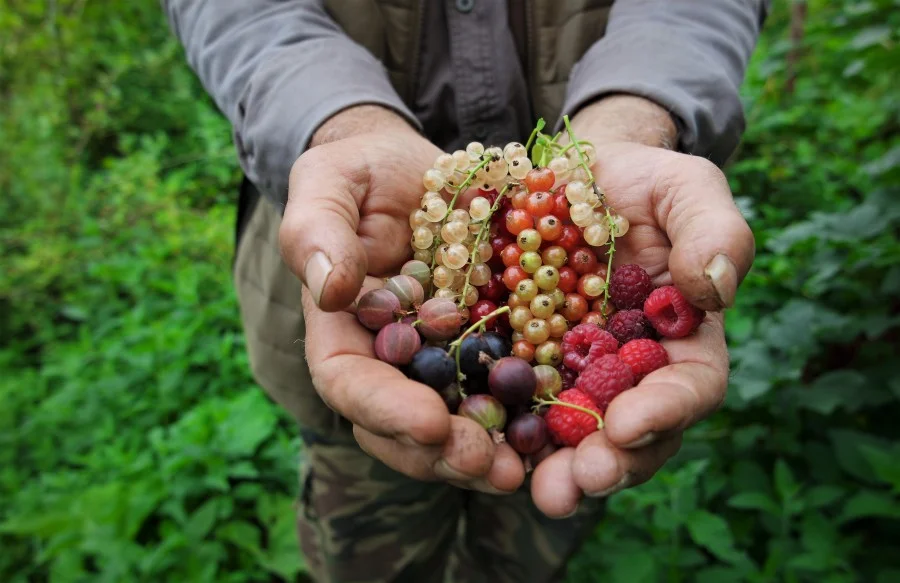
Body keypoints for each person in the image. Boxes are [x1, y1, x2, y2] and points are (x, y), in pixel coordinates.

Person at [163, 1, 768, 581]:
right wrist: (336, 121)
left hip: (574, 359)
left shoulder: (584, 258)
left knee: (533, 542)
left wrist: (637, 114)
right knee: (369, 551)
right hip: (359, 261)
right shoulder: (434, 290)